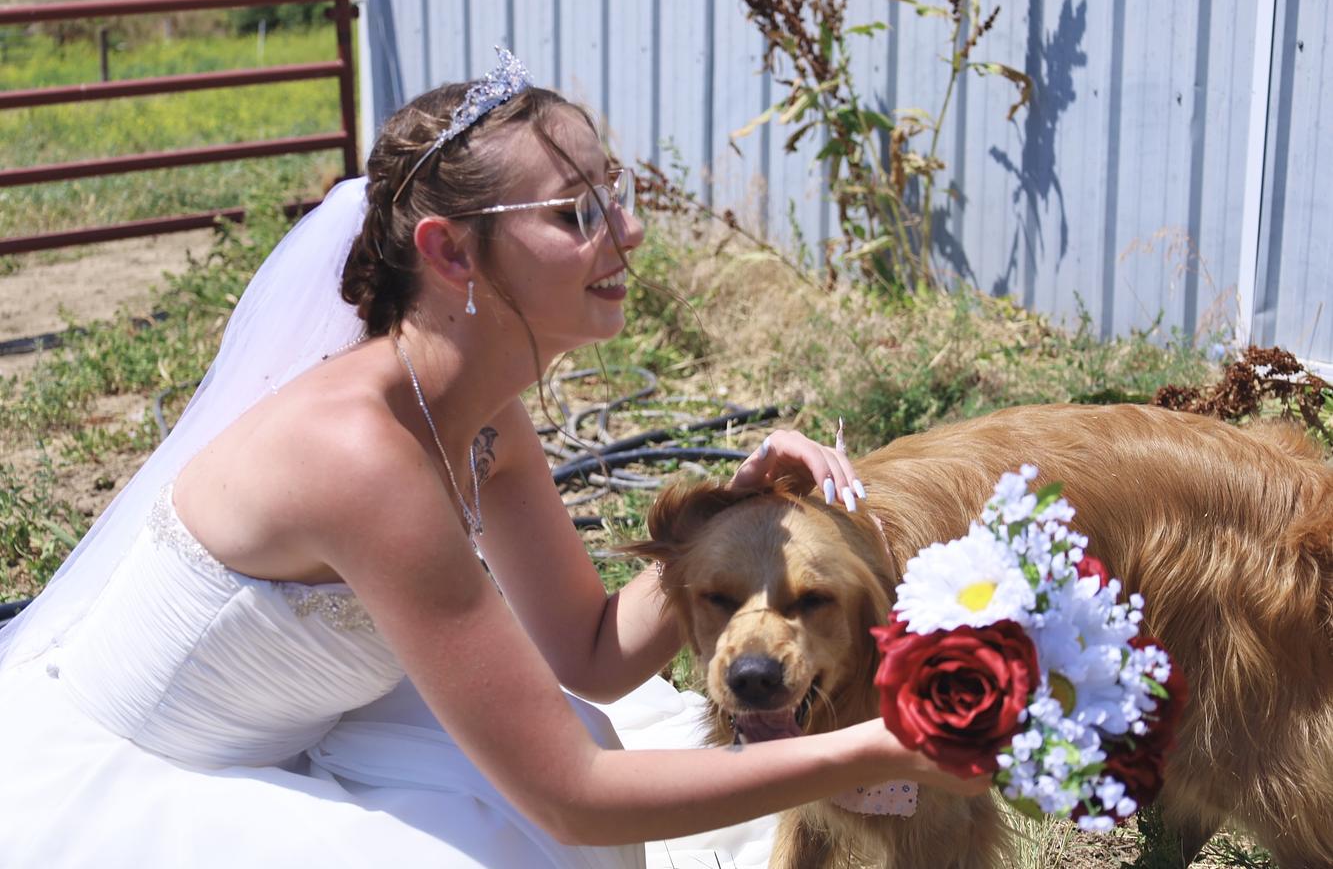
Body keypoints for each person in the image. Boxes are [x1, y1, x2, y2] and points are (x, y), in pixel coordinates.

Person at [0, 49, 987, 868]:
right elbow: (575, 799)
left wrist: (730, 524)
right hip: (162, 785)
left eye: (616, 195)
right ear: (449, 252)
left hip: (316, 728)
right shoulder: (358, 456)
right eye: (574, 214)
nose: (628, 232)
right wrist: (887, 745)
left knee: (578, 749)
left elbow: (590, 654)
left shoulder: (482, 420)